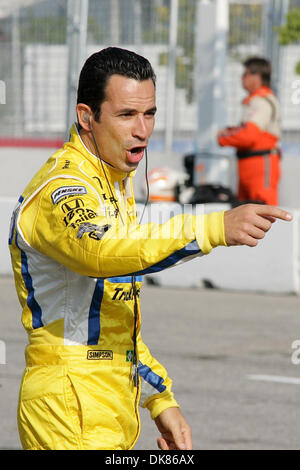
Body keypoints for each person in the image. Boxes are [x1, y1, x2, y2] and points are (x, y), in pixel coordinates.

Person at [8, 47, 292, 451]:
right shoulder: (63, 189)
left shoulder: (113, 184)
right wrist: (212, 226)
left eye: (150, 113)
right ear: (87, 117)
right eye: (126, 115)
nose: (143, 130)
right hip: (67, 407)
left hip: (108, 397)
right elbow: (101, 252)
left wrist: (159, 397)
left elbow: (115, 315)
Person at [217, 56, 281, 205]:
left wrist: (223, 137)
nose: (242, 78)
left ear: (257, 77)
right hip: (249, 166)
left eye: (245, 74)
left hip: (260, 166)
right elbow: (245, 129)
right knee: (245, 213)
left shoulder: (262, 101)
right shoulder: (254, 101)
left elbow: (249, 135)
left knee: (263, 212)